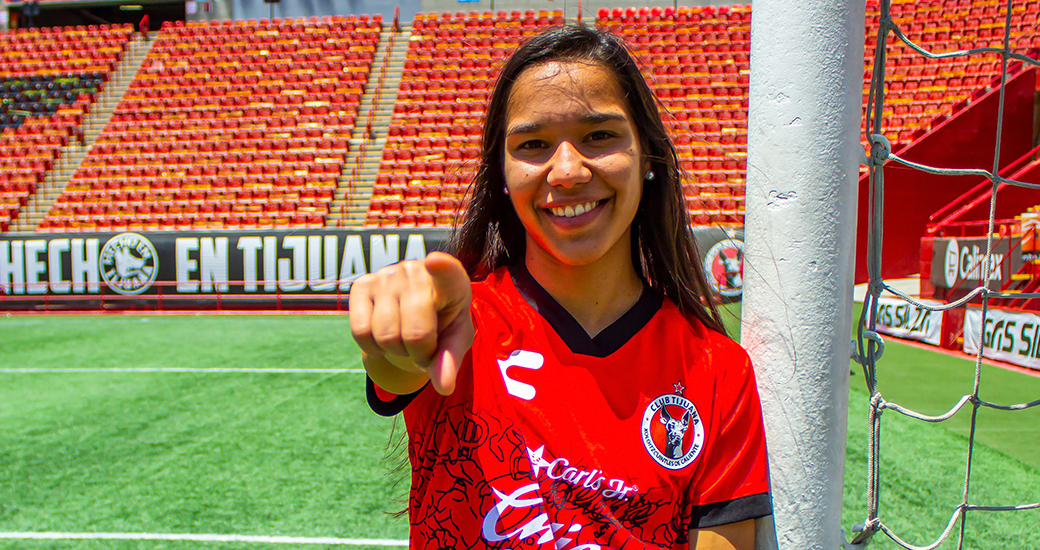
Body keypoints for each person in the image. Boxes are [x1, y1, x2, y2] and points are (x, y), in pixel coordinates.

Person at [350, 24, 771, 550]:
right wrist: (400, 327)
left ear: (649, 160)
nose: (568, 171)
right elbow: (398, 366)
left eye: (599, 135)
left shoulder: (717, 372)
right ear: (502, 176)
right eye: (533, 144)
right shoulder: (460, 323)